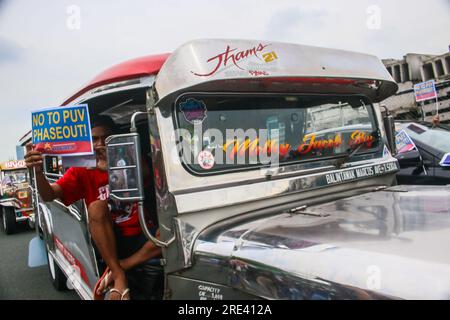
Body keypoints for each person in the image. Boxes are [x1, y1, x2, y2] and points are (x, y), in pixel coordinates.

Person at [25, 115, 161, 300]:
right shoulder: (82, 168)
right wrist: (38, 172)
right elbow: (49, 195)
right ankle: (119, 274)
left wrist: (113, 166)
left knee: (170, 231)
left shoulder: (129, 155)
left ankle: (120, 268)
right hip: (109, 239)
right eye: (94, 139)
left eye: (106, 138)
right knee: (96, 207)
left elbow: (146, 171)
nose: (100, 144)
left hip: (142, 232)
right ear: (87, 143)